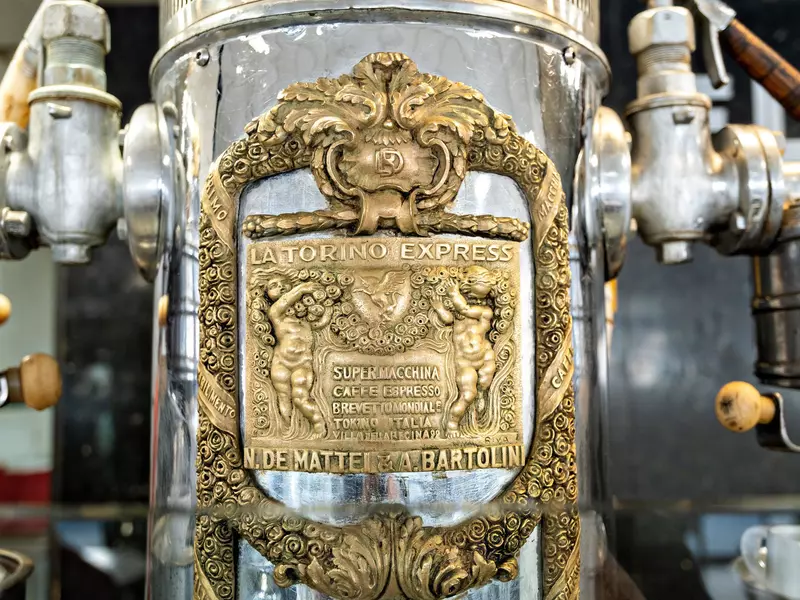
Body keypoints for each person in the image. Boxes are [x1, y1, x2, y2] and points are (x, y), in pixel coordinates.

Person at [433, 266, 497, 435]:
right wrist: (439, 308)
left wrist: (454, 293)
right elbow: (449, 319)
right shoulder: (458, 312)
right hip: (464, 363)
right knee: (468, 394)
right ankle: (452, 423)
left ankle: (482, 395)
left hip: (485, 356)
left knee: (484, 381)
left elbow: (465, 310)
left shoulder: (484, 311)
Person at [266, 275, 327, 436]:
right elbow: (283, 303)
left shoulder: (306, 320)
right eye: (273, 285)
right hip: (281, 363)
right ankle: (286, 434)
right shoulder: (276, 315)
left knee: (300, 397)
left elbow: (323, 320)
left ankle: (320, 428)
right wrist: (302, 288)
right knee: (284, 397)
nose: (279, 287)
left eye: (282, 284)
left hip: (302, 364)